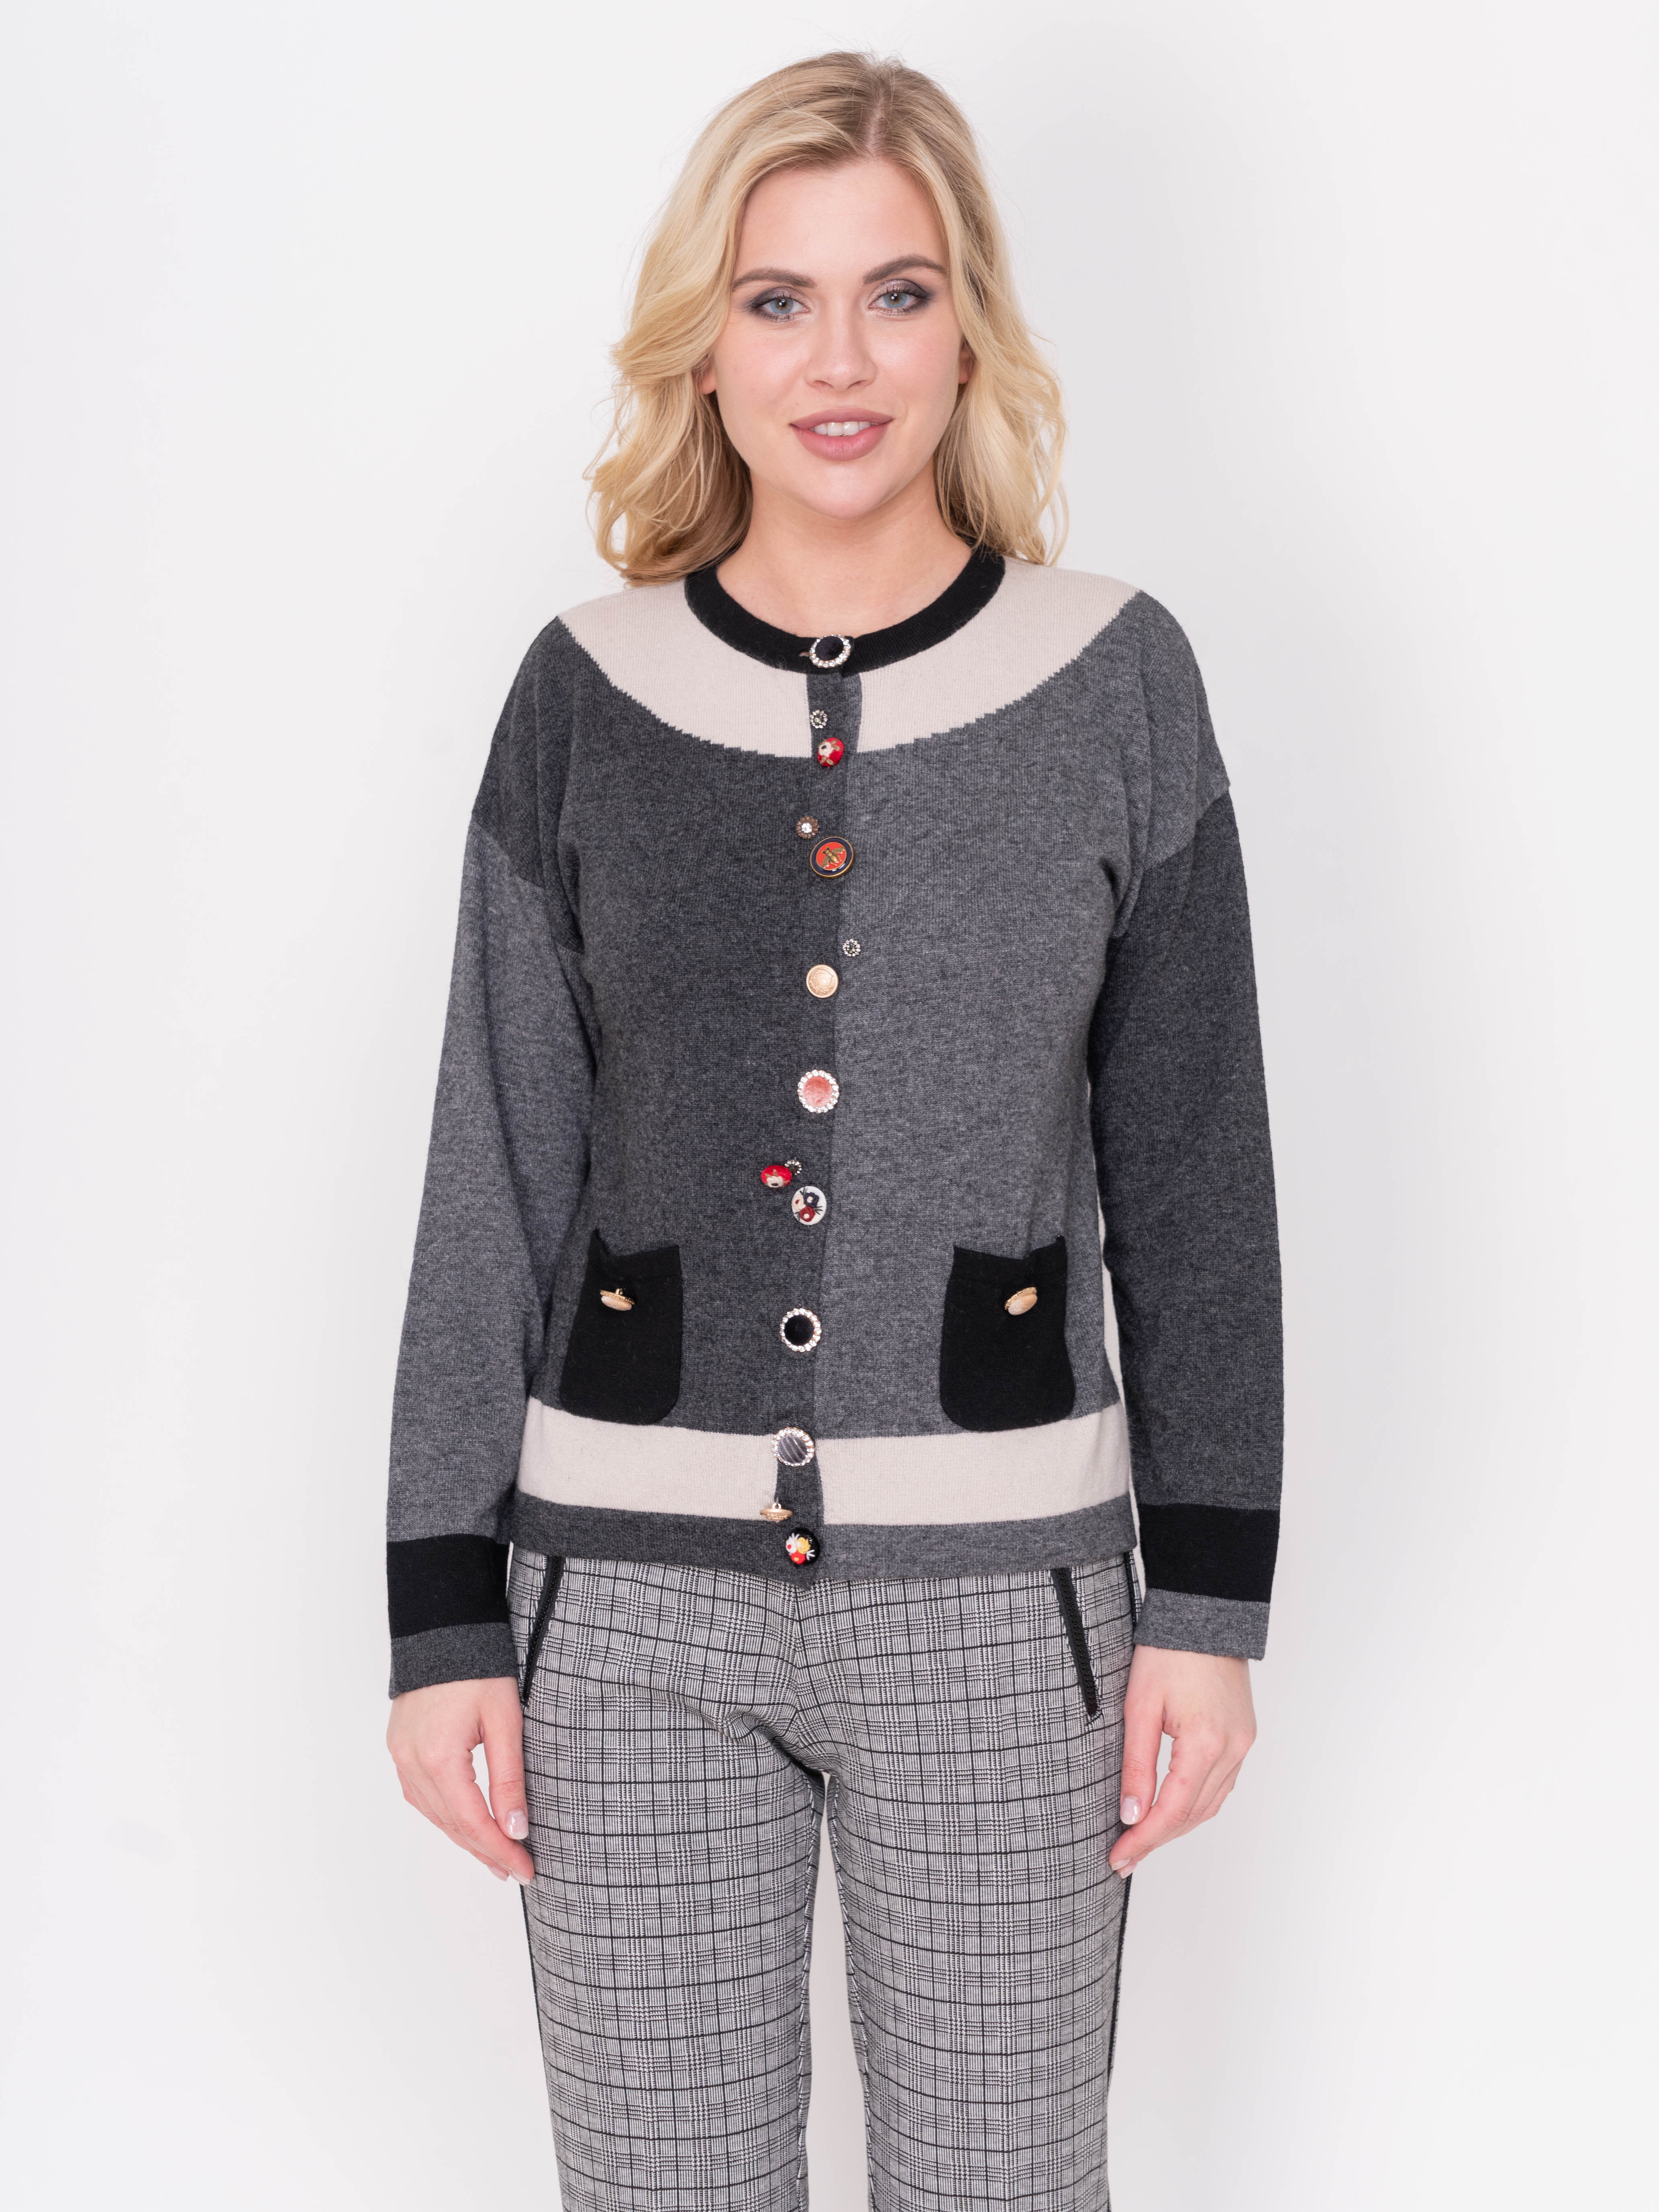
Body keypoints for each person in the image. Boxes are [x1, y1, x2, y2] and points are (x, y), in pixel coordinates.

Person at [384, 49, 1281, 2212]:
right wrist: (440, 1616)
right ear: (704, 346)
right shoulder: (586, 696)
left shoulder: (1114, 679)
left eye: (898, 293)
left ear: (969, 327)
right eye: (777, 301)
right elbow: (495, 1160)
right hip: (622, 1622)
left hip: (1003, 1613)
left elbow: (1195, 1174)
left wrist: (1210, 1604)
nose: (840, 361)